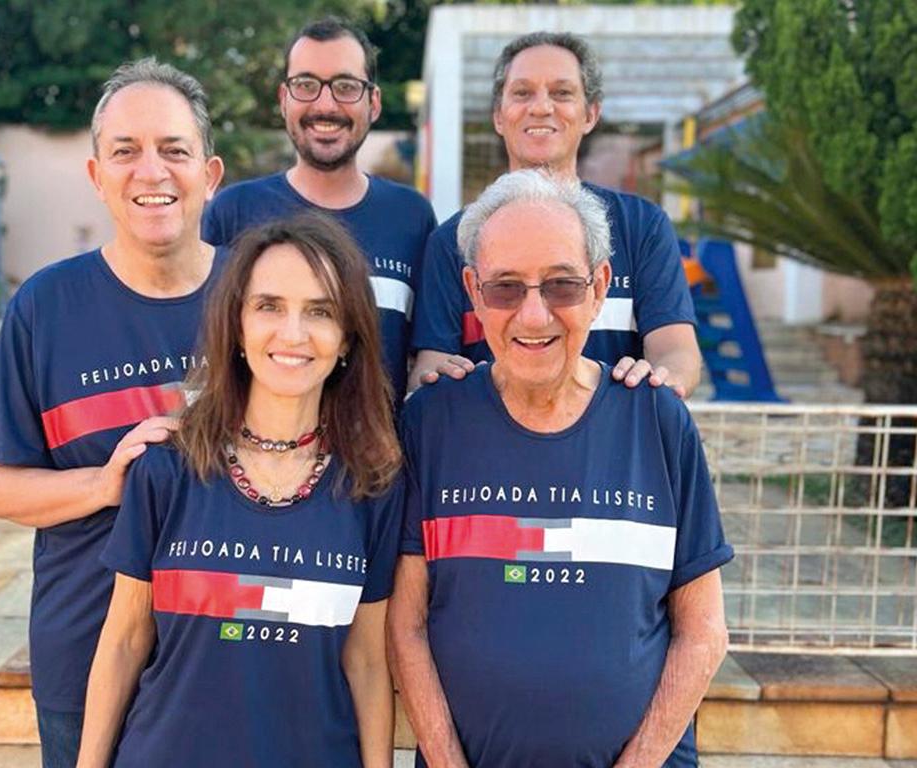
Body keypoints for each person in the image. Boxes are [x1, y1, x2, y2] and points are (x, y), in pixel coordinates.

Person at [388, 171, 732, 768]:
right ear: (472, 290)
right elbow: (406, 627)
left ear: (599, 288)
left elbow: (703, 632)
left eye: (561, 286)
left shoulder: (657, 421)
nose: (534, 315)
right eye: (505, 288)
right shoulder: (431, 425)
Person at [0, 59, 225, 767]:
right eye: (126, 152)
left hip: (233, 654)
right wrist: (102, 484)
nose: (152, 171)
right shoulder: (45, 309)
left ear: (210, 174)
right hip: (85, 652)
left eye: (174, 149)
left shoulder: (262, 296)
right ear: (96, 177)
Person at [76, 212, 402, 768]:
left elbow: (367, 661)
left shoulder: (371, 484)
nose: (293, 334)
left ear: (346, 338)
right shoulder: (169, 469)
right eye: (269, 306)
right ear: (237, 326)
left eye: (320, 311)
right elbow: (126, 640)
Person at [410, 31, 701, 398]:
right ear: (499, 116)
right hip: (494, 447)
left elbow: (677, 351)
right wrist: (438, 381)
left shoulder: (642, 227)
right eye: (522, 92)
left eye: (562, 93)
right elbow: (432, 363)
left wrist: (660, 379)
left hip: (612, 446)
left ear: (590, 114)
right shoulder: (452, 241)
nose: (542, 107)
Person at [202, 16, 436, 405]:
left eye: (345, 87)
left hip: (380, 462)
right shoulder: (233, 212)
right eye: (306, 86)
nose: (325, 105)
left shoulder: (412, 217)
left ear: (373, 103)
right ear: (283, 99)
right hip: (258, 461)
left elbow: (423, 361)